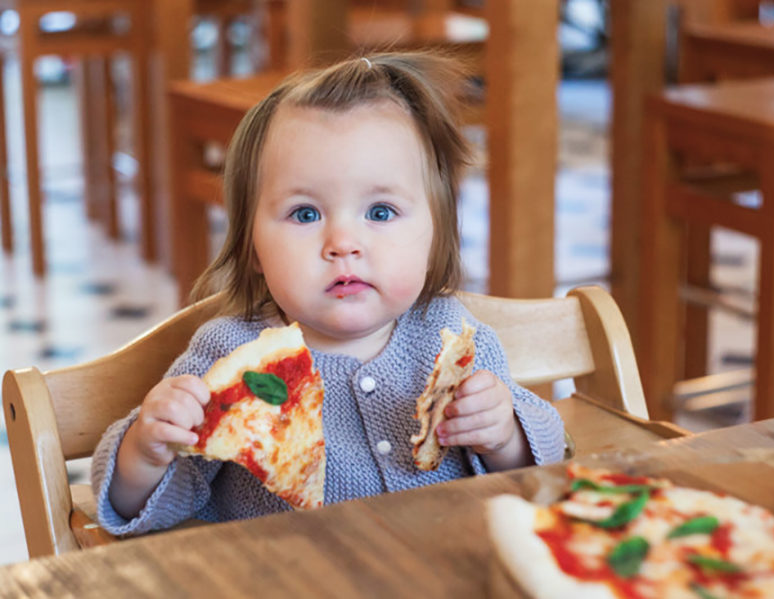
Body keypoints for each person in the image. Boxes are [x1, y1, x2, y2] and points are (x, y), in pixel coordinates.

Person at [91, 52, 566, 535]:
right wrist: (146, 452)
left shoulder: (454, 341)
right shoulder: (230, 355)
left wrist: (503, 435)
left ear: (435, 234)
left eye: (380, 212)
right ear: (251, 246)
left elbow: (544, 463)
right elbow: (144, 505)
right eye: (305, 214)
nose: (343, 243)